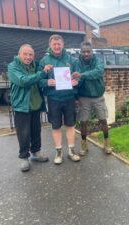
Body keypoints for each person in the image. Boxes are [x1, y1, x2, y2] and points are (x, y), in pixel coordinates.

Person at [39, 34, 80, 165]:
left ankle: (71, 151)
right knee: (55, 126)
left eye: (59, 44)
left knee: (70, 125)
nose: (57, 46)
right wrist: (46, 82)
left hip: (69, 98)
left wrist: (76, 81)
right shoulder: (44, 61)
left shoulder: (71, 60)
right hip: (53, 98)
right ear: (50, 45)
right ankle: (58, 152)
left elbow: (78, 75)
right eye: (54, 44)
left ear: (63, 45)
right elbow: (38, 79)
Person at [8, 44, 49, 172]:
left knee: (36, 131)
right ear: (19, 54)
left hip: (35, 104)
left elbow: (44, 66)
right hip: (22, 106)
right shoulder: (13, 66)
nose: (28, 57)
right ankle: (24, 157)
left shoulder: (35, 65)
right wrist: (42, 73)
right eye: (25, 54)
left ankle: (36, 152)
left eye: (30, 54)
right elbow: (23, 81)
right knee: (24, 133)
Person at [72, 41, 112, 156]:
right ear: (81, 52)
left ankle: (107, 143)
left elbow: (98, 72)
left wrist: (82, 75)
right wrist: (75, 93)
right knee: (83, 122)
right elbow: (76, 79)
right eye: (83, 51)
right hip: (84, 97)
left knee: (103, 120)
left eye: (88, 51)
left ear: (92, 52)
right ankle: (84, 144)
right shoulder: (77, 63)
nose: (86, 54)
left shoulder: (98, 61)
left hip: (98, 96)